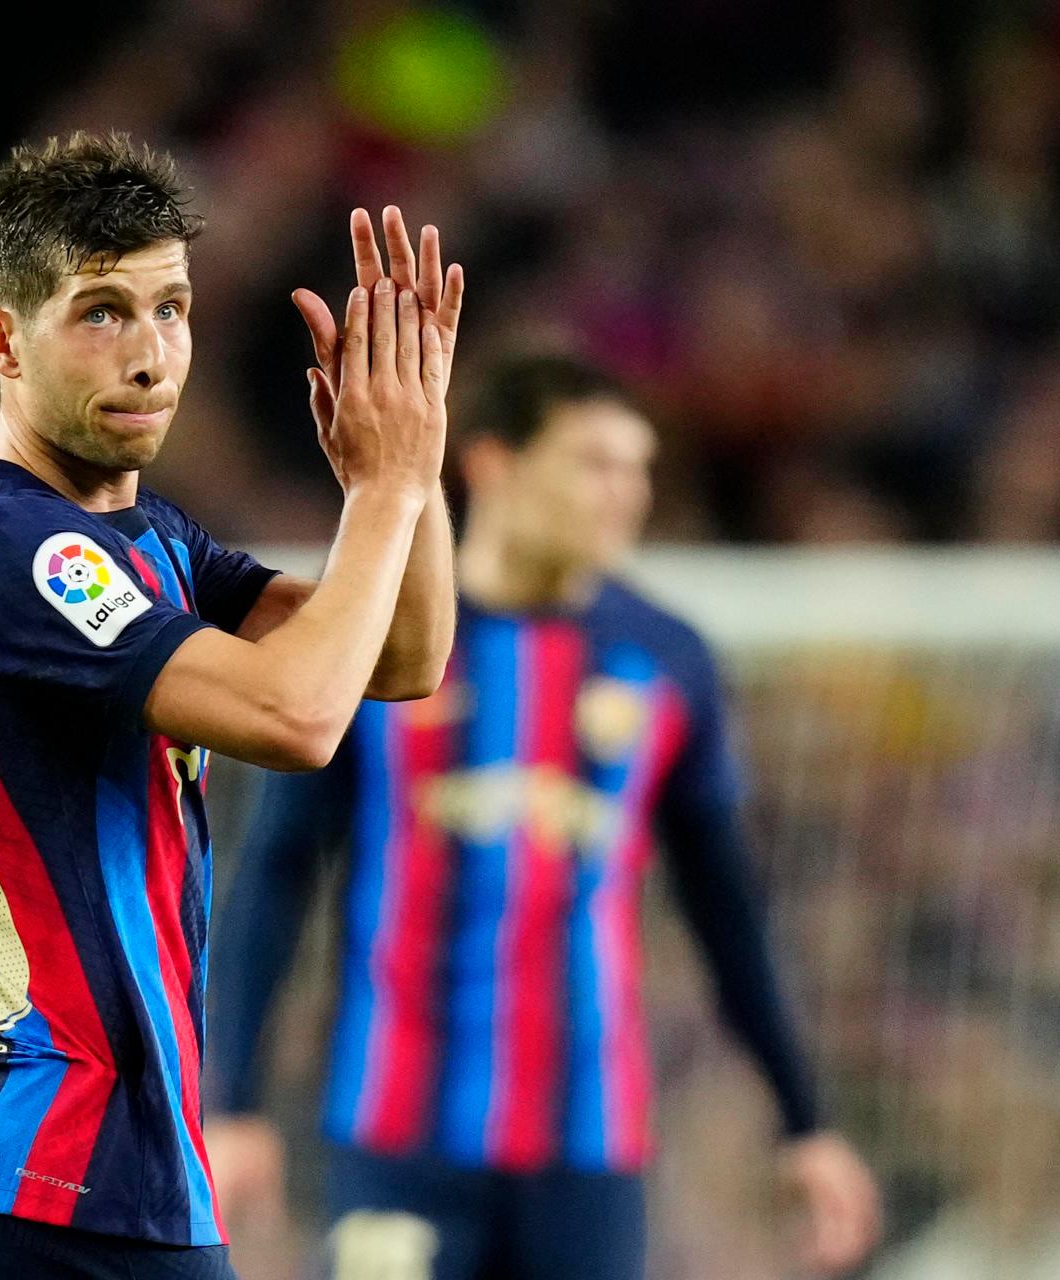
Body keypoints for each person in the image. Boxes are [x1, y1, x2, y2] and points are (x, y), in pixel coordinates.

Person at [0, 131, 464, 1280]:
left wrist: (412, 477)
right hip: (57, 1177)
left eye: (170, 308)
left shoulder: (143, 540)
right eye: (101, 311)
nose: (149, 353)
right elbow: (299, 718)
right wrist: (380, 490)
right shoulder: (11, 548)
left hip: (15, 1174)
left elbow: (398, 658)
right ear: (2, 340)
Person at [205, 354, 883, 1280]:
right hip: (400, 1135)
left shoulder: (667, 661)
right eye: (595, 464)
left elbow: (728, 911)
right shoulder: (377, 644)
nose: (626, 495)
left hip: (588, 1151)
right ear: (493, 466)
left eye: (639, 470)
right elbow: (277, 875)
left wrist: (808, 1124)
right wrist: (233, 1102)